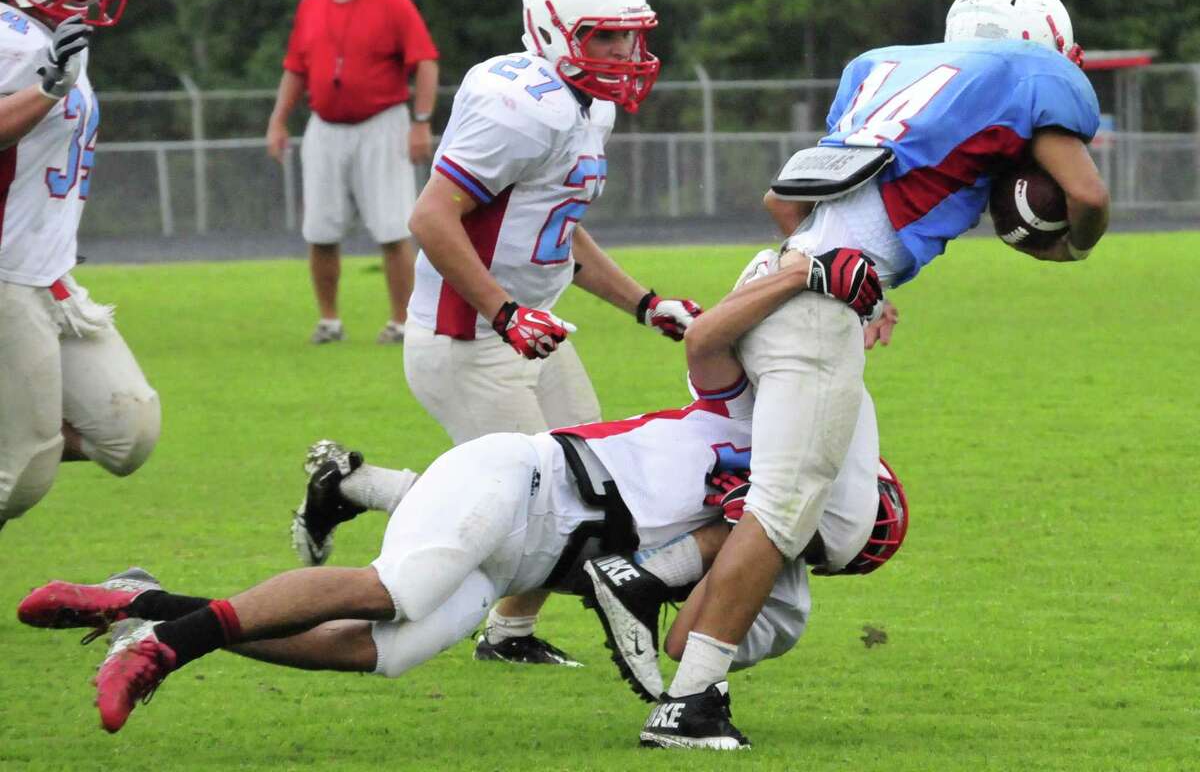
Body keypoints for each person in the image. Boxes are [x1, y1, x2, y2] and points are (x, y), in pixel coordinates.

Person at [16, 237, 897, 735]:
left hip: (526, 555)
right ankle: (169, 646)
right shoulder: (751, 412)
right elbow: (708, 340)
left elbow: (682, 650)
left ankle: (146, 604)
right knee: (396, 588)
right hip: (526, 482)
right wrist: (806, 279)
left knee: (375, 647)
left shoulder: (754, 550)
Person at [622, 0, 1110, 749]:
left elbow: (789, 201)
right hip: (812, 310)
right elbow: (1085, 194)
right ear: (1039, 42)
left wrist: (869, 282)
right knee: (781, 507)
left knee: (848, 524)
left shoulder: (881, 68)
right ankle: (690, 703)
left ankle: (652, 584)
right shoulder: (1032, 75)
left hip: (775, 278)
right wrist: (1075, 242)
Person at [363, 0, 702, 664]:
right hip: (470, 336)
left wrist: (643, 303)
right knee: (538, 506)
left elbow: (557, 228)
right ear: (551, 29)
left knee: (589, 487)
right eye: (605, 37)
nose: (624, 56)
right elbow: (430, 216)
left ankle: (509, 634)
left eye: (629, 39)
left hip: (530, 329)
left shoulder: (587, 109)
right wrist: (503, 309)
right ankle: (359, 487)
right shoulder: (522, 105)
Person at [0, 0, 160, 535]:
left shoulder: (50, 35)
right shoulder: (8, 35)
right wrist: (46, 89)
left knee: (127, 429)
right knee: (22, 472)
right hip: (5, 273)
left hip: (47, 273)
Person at [266, 0, 439, 345]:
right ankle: (329, 321)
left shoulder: (391, 0)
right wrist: (278, 121)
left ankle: (402, 322)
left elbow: (425, 61)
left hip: (381, 123)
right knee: (320, 229)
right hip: (325, 125)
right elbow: (296, 67)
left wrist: (421, 122)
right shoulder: (312, 2)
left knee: (393, 228)